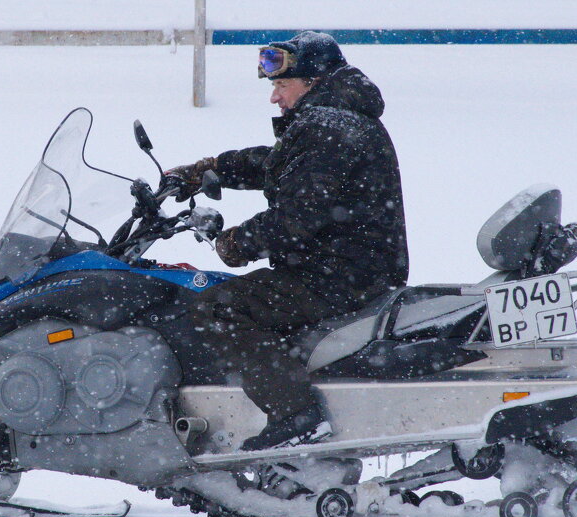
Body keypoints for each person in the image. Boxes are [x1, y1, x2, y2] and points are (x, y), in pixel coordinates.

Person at [166, 31, 408, 451]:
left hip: (339, 276)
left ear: (312, 81)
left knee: (219, 306)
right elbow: (280, 164)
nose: (274, 98)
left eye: (281, 85)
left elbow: (297, 217)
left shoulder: (328, 127)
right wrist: (211, 170)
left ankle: (296, 416)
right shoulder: (335, 120)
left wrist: (238, 242)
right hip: (349, 268)